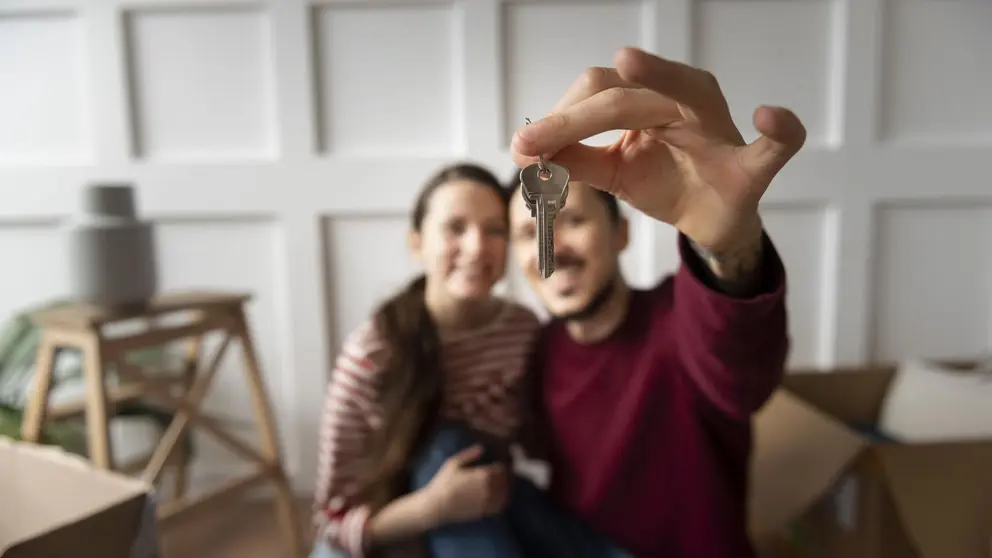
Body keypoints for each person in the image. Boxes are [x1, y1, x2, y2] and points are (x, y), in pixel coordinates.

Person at [506, 47, 807, 558]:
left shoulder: (680, 315)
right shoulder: (534, 351)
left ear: (621, 233)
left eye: (571, 220)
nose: (550, 246)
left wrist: (726, 246)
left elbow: (742, 375)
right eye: (527, 231)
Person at [310, 163, 631, 558]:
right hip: (396, 523)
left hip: (488, 503)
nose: (477, 247)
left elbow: (539, 442)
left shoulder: (523, 331)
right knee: (448, 444)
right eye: (455, 228)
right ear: (417, 243)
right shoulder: (373, 354)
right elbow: (330, 521)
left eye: (494, 230)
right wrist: (434, 508)